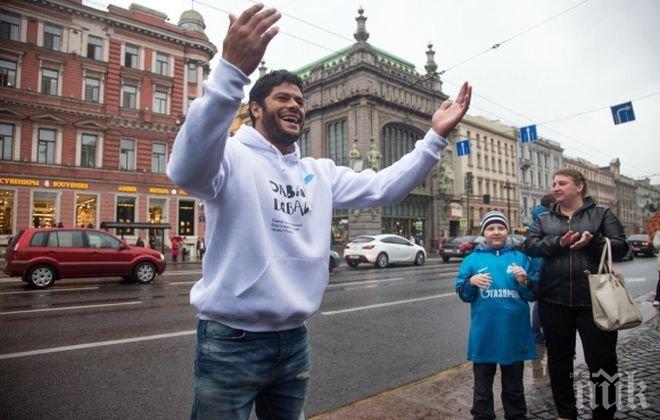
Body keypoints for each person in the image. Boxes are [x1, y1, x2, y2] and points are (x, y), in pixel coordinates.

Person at [166, 4, 472, 419]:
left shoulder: (318, 172)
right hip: (231, 341)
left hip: (293, 341)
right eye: (282, 98)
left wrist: (433, 137)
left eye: (300, 99)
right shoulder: (231, 158)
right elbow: (186, 169)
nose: (295, 105)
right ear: (255, 108)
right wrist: (232, 72)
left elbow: (383, 187)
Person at [524, 169, 628, 420]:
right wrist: (559, 243)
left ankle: (604, 414)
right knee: (559, 361)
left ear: (579, 186)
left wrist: (592, 241)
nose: (556, 188)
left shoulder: (601, 214)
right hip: (553, 300)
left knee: (602, 362)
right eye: (554, 184)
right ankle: (565, 413)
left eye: (562, 183)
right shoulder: (544, 219)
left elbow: (622, 247)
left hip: (596, 300)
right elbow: (530, 245)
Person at [455, 211, 538, 420]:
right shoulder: (472, 260)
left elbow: (532, 294)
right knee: (482, 386)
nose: (496, 232)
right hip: (485, 333)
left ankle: (516, 415)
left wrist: (525, 280)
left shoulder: (520, 258)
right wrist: (471, 282)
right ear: (483, 233)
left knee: (514, 386)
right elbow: (464, 294)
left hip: (513, 334)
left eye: (500, 228)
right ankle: (482, 416)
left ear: (507, 231)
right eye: (491, 228)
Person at [528, 192, 556, 345]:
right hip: (543, 265)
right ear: (552, 205)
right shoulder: (547, 219)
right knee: (542, 303)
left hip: (538, 265)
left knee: (540, 302)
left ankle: (537, 333)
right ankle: (538, 334)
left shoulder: (537, 218)